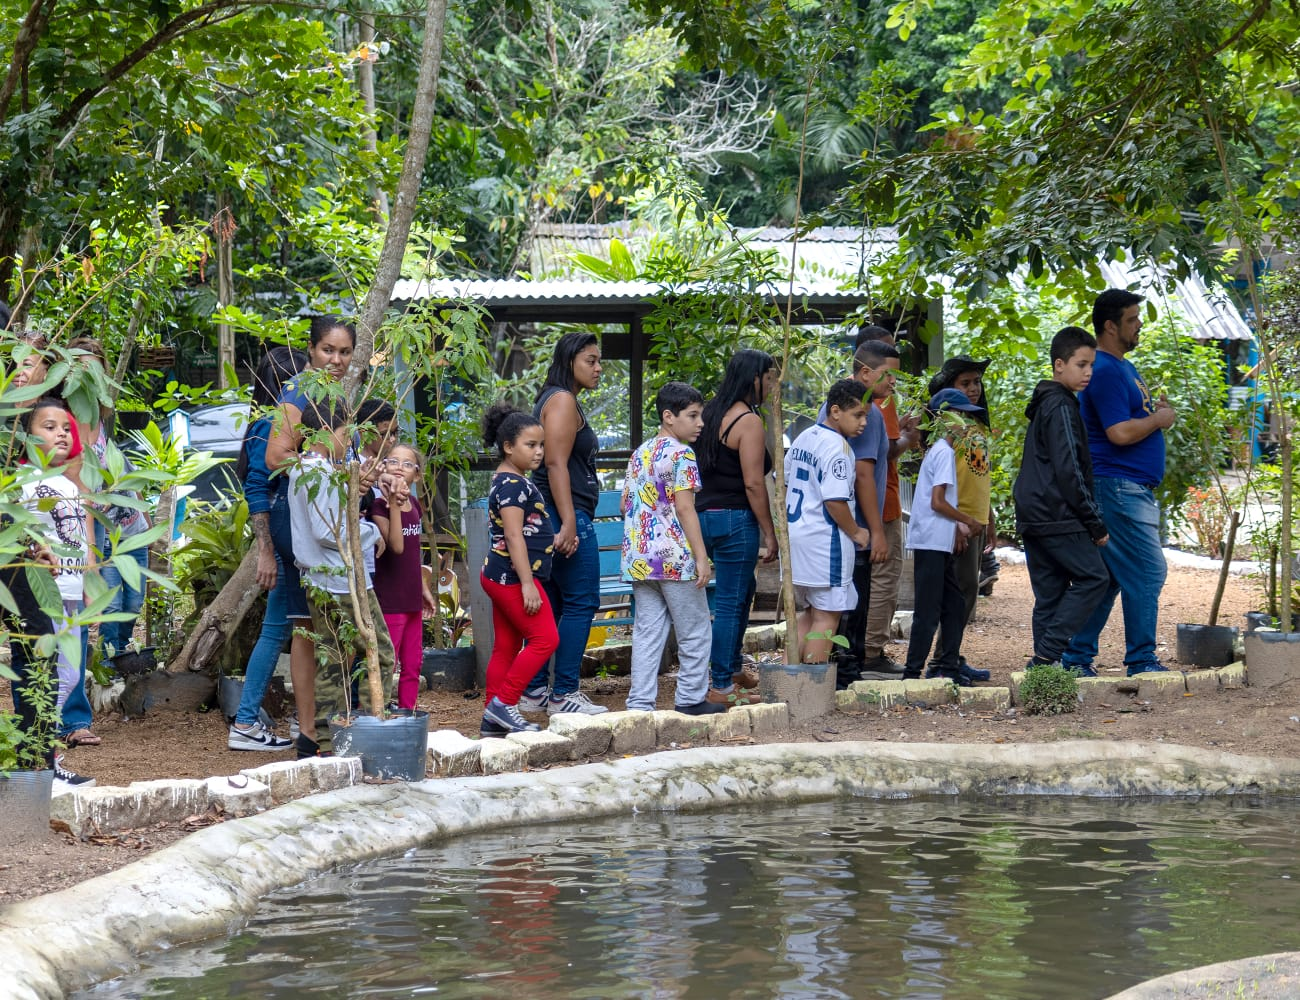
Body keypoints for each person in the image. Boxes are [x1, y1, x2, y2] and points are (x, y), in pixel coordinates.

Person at [1062, 289, 1177, 677]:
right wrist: (1158, 420)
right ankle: (1142, 660)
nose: (1139, 324)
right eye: (1132, 318)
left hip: (1126, 487)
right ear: (1110, 326)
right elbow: (1119, 433)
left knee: (1110, 577)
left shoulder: (1120, 366)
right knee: (1147, 571)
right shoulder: (1108, 370)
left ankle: (1076, 658)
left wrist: (1154, 413)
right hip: (1119, 487)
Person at [265, 316, 357, 755]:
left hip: (327, 520)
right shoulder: (298, 391)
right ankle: (309, 732)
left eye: (344, 353)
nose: (335, 360)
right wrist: (324, 459)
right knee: (308, 627)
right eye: (327, 351)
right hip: (300, 519)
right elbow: (276, 456)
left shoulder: (337, 393)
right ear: (310, 349)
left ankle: (326, 725)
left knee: (331, 625)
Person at [288, 402, 394, 743]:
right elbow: (328, 530)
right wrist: (372, 533)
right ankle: (372, 728)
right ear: (322, 432)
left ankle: (324, 738)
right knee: (380, 650)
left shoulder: (308, 470)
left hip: (325, 579)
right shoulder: (315, 474)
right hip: (338, 581)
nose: (351, 438)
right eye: (346, 431)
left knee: (334, 659)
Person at [517, 332, 608, 716]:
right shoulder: (562, 400)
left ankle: (536, 690)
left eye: (599, 360)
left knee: (554, 603)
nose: (598, 368)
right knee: (582, 601)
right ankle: (564, 693)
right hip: (561, 513)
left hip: (552, 512)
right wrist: (569, 521)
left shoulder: (559, 398)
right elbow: (554, 463)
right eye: (590, 360)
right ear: (569, 360)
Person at [622, 382, 725, 716]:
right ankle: (691, 698)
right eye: (692, 415)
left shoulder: (640, 454)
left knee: (647, 632)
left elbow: (627, 504)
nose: (700, 423)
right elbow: (685, 508)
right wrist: (701, 556)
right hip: (673, 558)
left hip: (639, 558)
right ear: (669, 416)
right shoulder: (683, 455)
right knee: (695, 629)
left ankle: (639, 704)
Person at [1013, 326, 1111, 670]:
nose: (1088, 373)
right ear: (1059, 364)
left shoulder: (1051, 402)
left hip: (1035, 512)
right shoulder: (1060, 405)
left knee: (1050, 595)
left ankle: (1045, 676)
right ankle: (1045, 658)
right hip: (1055, 513)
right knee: (1096, 577)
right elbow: (1069, 468)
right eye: (1081, 364)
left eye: (1091, 366)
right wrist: (1095, 522)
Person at [228, 346, 308, 751]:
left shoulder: (281, 421)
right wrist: (265, 551)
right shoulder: (272, 424)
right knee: (284, 626)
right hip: (284, 533)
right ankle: (246, 721)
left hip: (291, 530)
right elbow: (257, 486)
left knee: (286, 627)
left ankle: (297, 718)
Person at [695, 349, 777, 706]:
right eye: (769, 377)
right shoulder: (748, 422)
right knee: (730, 601)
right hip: (734, 519)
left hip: (701, 518)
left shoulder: (708, 413)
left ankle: (730, 666)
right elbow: (754, 484)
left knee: (743, 591)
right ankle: (721, 686)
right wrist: (769, 532)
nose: (773, 385)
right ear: (752, 378)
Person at [65, 336, 153, 663]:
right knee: (108, 603)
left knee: (131, 602)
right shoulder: (63, 420)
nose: (89, 379)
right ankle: (103, 668)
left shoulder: (102, 418)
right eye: (82, 370)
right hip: (89, 527)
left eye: (96, 372)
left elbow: (120, 467)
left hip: (121, 526)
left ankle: (116, 659)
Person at [19, 399, 98, 748]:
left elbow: (79, 541)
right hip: (43, 597)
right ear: (27, 437)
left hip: (70, 593)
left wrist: (86, 586)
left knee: (68, 675)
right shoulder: (23, 483)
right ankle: (40, 754)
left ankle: (47, 753)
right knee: (44, 676)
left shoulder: (68, 485)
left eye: (65, 428)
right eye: (49, 428)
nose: (62, 434)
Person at [903, 389, 989, 684]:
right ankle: (911, 674)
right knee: (928, 612)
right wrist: (967, 521)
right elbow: (937, 502)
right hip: (930, 541)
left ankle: (948, 666)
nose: (964, 423)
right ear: (941, 419)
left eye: (966, 416)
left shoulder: (944, 451)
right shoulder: (942, 452)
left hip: (938, 542)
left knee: (954, 605)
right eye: (958, 416)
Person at [479, 404, 555, 735]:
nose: (538, 452)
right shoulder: (512, 484)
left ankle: (492, 719)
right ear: (509, 447)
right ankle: (504, 704)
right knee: (545, 638)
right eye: (530, 445)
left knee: (506, 647)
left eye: (541, 445)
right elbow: (513, 535)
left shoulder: (511, 479)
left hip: (499, 574)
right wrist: (527, 583)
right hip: (511, 576)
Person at [784, 379, 871, 664]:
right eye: (858, 415)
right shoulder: (839, 449)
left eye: (866, 415)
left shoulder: (804, 437)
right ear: (835, 411)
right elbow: (834, 501)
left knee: (810, 613)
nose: (864, 423)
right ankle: (810, 690)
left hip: (798, 536)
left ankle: (787, 680)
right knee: (827, 617)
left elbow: (784, 481)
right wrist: (856, 531)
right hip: (825, 542)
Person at [826, 342, 894, 689]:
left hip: (842, 529)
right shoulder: (869, 412)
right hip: (857, 528)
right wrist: (875, 531)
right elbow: (863, 473)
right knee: (853, 599)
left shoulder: (847, 408)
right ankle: (847, 670)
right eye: (889, 374)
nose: (894, 382)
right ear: (865, 373)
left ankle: (836, 668)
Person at [854, 326, 919, 677]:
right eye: (888, 371)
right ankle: (870, 652)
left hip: (867, 506)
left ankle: (860, 649)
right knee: (883, 578)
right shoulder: (877, 404)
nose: (894, 380)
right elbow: (882, 457)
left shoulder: (847, 400)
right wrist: (909, 436)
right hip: (883, 504)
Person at [926, 356, 995, 683]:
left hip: (976, 519)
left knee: (967, 592)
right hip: (959, 521)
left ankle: (952, 655)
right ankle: (942, 662)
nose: (973, 389)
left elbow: (978, 472)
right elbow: (946, 479)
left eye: (976, 383)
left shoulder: (977, 423)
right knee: (960, 592)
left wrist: (989, 514)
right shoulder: (948, 428)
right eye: (965, 383)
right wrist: (956, 523)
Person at [370, 442, 437, 710]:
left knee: (413, 663)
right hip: (391, 599)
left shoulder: (415, 506)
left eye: (407, 464)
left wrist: (423, 588)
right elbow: (396, 546)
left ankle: (408, 713)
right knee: (390, 661)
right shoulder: (378, 506)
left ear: (417, 475)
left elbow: (412, 552)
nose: (399, 468)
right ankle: (381, 713)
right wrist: (394, 505)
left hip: (411, 598)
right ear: (383, 466)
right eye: (393, 461)